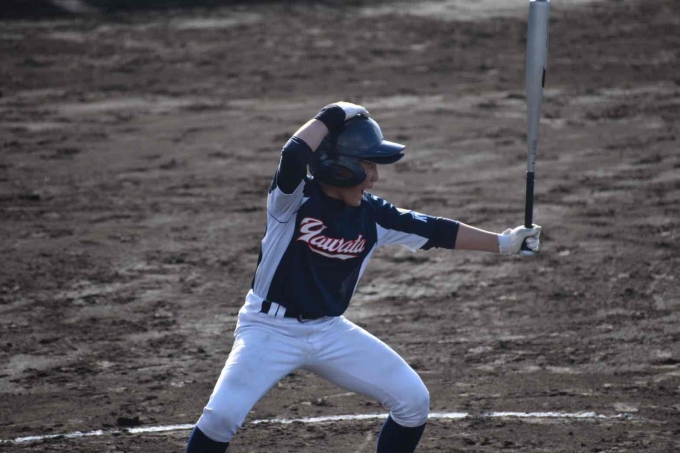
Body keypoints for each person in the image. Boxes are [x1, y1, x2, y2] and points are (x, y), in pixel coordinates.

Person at [185, 102, 541, 453]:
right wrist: (331, 114)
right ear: (340, 167)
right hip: (268, 330)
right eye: (368, 165)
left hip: (329, 331)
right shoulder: (292, 202)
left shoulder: (373, 214)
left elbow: (437, 230)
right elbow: (293, 154)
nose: (375, 177)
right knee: (220, 418)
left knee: (413, 401)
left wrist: (504, 243)